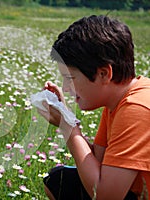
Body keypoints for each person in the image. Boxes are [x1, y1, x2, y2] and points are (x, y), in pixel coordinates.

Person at [37, 15, 150, 200]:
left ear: (104, 74)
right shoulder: (118, 101)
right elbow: (99, 160)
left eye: (70, 78)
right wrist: (67, 116)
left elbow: (105, 197)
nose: (66, 88)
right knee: (59, 181)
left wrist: (68, 127)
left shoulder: (137, 108)